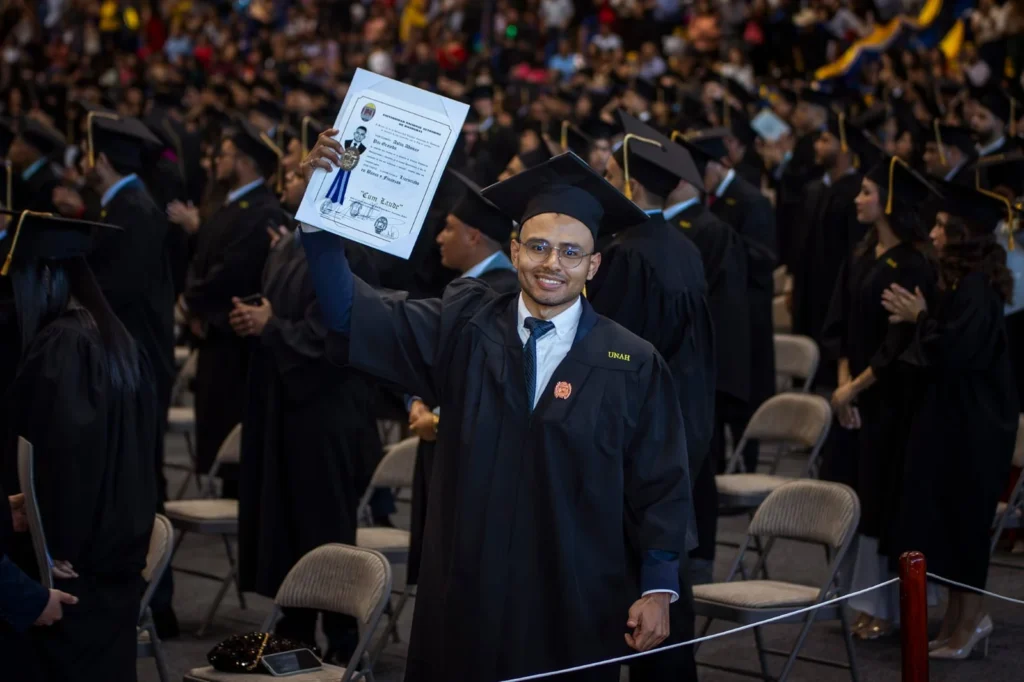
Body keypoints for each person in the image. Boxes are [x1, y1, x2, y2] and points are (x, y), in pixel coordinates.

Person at [301, 134, 693, 682]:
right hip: (469, 592)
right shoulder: (464, 327)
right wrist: (320, 222)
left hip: (573, 599)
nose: (551, 263)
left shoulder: (631, 361)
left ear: (594, 265)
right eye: (537, 247)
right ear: (513, 251)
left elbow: (661, 482)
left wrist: (657, 585)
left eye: (571, 252)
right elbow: (351, 315)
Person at [0, 209, 157, 681]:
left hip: (71, 574)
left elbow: (67, 463)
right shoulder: (116, 338)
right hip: (116, 568)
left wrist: (51, 547)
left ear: (45, 277)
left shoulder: (63, 345)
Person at [233, 170, 381, 660]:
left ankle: (342, 644)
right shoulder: (287, 245)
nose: (289, 177)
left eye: (302, 172)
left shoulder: (345, 248)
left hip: (327, 411)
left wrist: (272, 326)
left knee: (324, 525)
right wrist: (259, 318)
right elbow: (284, 312)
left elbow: (335, 335)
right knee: (291, 524)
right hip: (288, 407)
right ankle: (295, 634)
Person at [590, 113, 710, 682]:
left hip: (637, 438)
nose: (603, 183)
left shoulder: (627, 255)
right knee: (668, 579)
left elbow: (608, 353)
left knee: (636, 581)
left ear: (631, 187)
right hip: (684, 426)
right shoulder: (681, 248)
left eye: (609, 174)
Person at [883, 182, 1019, 659]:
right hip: (953, 423)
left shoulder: (980, 286)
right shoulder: (961, 282)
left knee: (965, 526)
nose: (934, 233)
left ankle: (972, 621)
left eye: (942, 226)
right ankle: (953, 623)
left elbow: (957, 353)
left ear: (962, 233)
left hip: (976, 428)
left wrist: (920, 318)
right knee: (946, 523)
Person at [824, 157, 939, 639]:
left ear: (890, 202)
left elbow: (897, 345)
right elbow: (843, 325)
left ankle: (893, 608)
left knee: (885, 501)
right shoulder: (864, 251)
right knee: (857, 496)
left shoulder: (912, 264)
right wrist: (843, 384)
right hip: (855, 395)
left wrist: (856, 386)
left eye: (869, 191)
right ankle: (863, 600)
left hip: (893, 400)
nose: (858, 198)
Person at [407, 169, 520, 588]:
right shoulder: (468, 288)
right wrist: (416, 401)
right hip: (442, 445)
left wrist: (439, 420)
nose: (439, 237)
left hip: (473, 458)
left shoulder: (503, 295)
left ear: (474, 236)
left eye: (449, 228)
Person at [182, 119, 284, 498]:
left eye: (222, 155)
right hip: (211, 332)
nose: (214, 163)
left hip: (235, 342)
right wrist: (190, 302)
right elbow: (199, 260)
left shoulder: (262, 211)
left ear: (243, 161)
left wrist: (195, 303)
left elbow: (233, 273)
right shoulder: (228, 206)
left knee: (234, 446)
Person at [663, 157, 750, 588]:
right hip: (677, 370)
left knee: (697, 469)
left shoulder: (710, 231)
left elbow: (723, 312)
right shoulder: (667, 233)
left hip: (694, 372)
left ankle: (697, 561)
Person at [679, 127, 776, 474]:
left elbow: (765, 258)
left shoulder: (750, 200)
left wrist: (723, 240)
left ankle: (748, 466)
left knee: (743, 399)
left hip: (747, 315)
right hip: (721, 309)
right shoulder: (710, 203)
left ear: (719, 165)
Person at [789, 113, 870, 387]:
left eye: (825, 140)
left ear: (845, 148)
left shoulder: (856, 193)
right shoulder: (813, 189)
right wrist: (793, 282)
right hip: (807, 293)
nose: (817, 146)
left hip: (835, 295)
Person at [4, 119, 64, 213]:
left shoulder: (46, 185)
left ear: (28, 150)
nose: (10, 150)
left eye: (16, 144)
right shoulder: (25, 176)